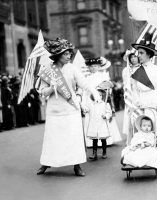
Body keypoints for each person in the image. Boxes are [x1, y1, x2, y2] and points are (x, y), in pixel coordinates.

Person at [36, 38, 101, 176]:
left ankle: (76, 165)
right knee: (52, 138)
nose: (69, 56)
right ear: (58, 55)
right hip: (54, 110)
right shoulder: (47, 70)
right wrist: (51, 87)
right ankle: (46, 162)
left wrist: (95, 93)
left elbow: (83, 83)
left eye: (70, 53)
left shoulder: (72, 68)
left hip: (71, 109)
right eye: (66, 54)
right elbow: (42, 92)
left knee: (73, 138)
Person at [131, 33, 157, 161]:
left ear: (149, 55)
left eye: (141, 53)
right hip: (142, 103)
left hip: (155, 103)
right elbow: (134, 90)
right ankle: (145, 156)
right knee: (142, 129)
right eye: (138, 53)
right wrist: (137, 102)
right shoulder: (135, 72)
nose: (138, 55)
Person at [86, 88, 112, 160]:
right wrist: (86, 109)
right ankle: (94, 153)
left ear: (102, 96)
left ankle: (104, 152)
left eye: (100, 95)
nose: (99, 97)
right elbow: (87, 110)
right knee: (94, 139)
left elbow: (109, 113)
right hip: (94, 124)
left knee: (103, 139)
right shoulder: (91, 105)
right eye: (97, 95)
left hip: (102, 124)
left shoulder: (105, 104)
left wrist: (106, 116)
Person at [122, 52, 140, 137]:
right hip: (131, 93)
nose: (133, 59)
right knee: (130, 114)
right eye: (131, 57)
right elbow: (125, 83)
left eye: (135, 57)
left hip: (139, 93)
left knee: (139, 112)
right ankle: (132, 135)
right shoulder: (126, 70)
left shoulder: (141, 68)